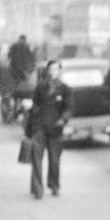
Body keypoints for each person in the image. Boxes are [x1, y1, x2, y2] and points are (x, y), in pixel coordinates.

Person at [25, 59, 73, 199]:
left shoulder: (65, 89)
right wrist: (29, 126)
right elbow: (34, 106)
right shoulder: (40, 88)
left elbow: (69, 108)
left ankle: (54, 185)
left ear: (59, 71)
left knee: (54, 160)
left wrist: (63, 119)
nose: (53, 72)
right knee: (37, 159)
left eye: (56, 69)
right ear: (47, 71)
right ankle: (38, 189)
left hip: (56, 129)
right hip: (39, 128)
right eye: (51, 69)